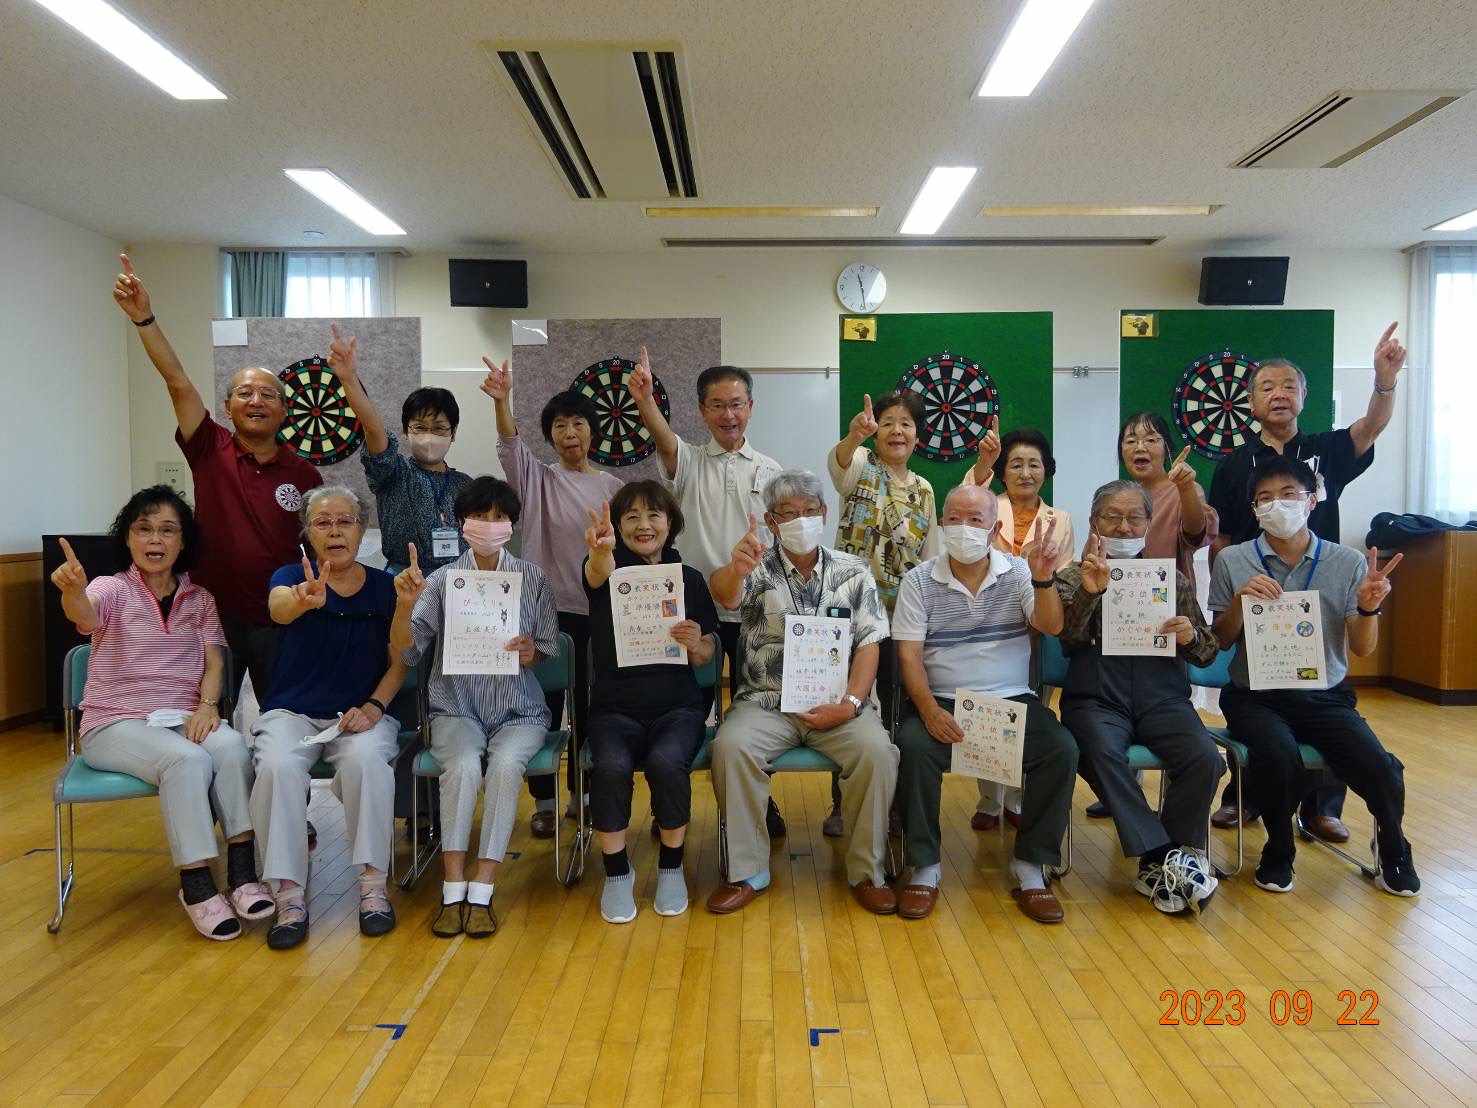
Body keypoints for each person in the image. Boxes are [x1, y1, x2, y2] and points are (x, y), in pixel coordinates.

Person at [1207, 324, 1407, 840]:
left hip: (1321, 593)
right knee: (1260, 703)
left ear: (1303, 396)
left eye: (1288, 385)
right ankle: (1245, 796)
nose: (1278, 393)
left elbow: (1372, 426)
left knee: (1324, 695)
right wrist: (1230, 597)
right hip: (1258, 592)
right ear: (1250, 402)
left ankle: (1321, 808)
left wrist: (1384, 380)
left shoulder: (1325, 449)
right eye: (1266, 387)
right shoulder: (1232, 465)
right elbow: (1221, 539)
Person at [51, 486, 269, 941]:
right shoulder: (110, 588)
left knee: (232, 746)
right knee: (186, 759)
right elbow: (85, 617)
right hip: (114, 723)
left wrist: (208, 706)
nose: (155, 539)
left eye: (168, 530)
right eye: (144, 529)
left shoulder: (200, 598)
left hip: (180, 717)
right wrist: (72, 592)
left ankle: (243, 874)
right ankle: (196, 884)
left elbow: (214, 662)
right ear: (128, 538)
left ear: (183, 541)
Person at [113, 254, 321, 706]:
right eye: (245, 393)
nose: (256, 400)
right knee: (207, 718)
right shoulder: (210, 446)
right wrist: (144, 319)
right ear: (228, 407)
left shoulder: (305, 475)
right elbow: (178, 383)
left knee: (284, 716)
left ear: (285, 411)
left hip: (278, 616)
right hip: (210, 615)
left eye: (268, 395)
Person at [1208, 455, 1417, 897]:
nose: (1277, 505)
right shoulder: (1232, 560)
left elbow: (1363, 648)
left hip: (1325, 696)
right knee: (1277, 756)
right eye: (1265, 498)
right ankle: (1278, 848)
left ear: (1312, 500)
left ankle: (1395, 846)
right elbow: (1221, 640)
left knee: (1379, 766)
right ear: (1254, 509)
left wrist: (1368, 608)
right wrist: (1240, 603)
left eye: (1289, 494)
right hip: (1256, 696)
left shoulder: (1348, 562)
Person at [704, 470, 896, 916]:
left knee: (877, 752)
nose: (801, 520)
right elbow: (724, 595)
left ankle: (867, 872)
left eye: (809, 511)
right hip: (767, 702)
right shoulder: (754, 567)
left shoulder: (854, 571)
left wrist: (850, 704)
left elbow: (870, 644)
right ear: (771, 521)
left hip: (839, 703)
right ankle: (747, 871)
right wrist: (735, 568)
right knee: (731, 747)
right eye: (788, 513)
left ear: (824, 514)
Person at [892, 484, 1076, 923]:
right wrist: (929, 710)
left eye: (975, 520)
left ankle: (1031, 866)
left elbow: (1051, 626)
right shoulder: (918, 581)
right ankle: (925, 865)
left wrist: (1044, 578)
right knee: (913, 746)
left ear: (994, 529)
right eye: (954, 519)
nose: (964, 528)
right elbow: (908, 656)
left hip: (1011, 700)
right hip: (944, 700)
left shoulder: (1019, 572)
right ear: (941, 524)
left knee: (1060, 749)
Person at [628, 349, 789, 837]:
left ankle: (760, 802)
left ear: (751, 407)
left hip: (754, 612)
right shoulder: (689, 461)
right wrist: (644, 400)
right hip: (694, 609)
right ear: (702, 411)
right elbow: (663, 436)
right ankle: (669, 806)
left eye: (737, 404)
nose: (728, 414)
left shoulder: (771, 469)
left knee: (755, 711)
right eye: (717, 405)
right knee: (686, 711)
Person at [392, 476, 559, 938]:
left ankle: (483, 888)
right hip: (455, 708)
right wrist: (404, 606)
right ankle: (452, 888)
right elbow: (407, 652)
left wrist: (532, 653)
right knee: (463, 765)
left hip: (519, 710)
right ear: (462, 523)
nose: (490, 524)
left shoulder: (532, 578)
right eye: (480, 516)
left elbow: (547, 646)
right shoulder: (442, 580)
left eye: (499, 517)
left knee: (504, 767)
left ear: (512, 525)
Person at [1055, 481, 1222, 914]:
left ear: (1149, 523)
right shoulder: (1071, 576)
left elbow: (1207, 652)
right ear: (1094, 522)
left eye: (1134, 518)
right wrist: (1090, 594)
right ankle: (1165, 857)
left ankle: (1163, 860)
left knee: (1205, 758)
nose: (1124, 527)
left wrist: (1189, 636)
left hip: (1162, 698)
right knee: (1098, 750)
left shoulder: (1171, 579)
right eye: (1112, 517)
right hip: (1096, 698)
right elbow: (1067, 641)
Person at [249, 486, 405, 948]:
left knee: (367, 762)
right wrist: (303, 600)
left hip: (360, 715)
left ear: (362, 529)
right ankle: (288, 895)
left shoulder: (385, 587)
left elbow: (402, 659)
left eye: (345, 521)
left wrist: (375, 706)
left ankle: (373, 887)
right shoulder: (290, 577)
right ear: (307, 532)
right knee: (276, 766)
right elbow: (279, 609)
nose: (334, 531)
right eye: (322, 522)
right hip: (292, 713)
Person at [482, 355, 624, 840]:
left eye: (578, 423)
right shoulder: (537, 479)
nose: (569, 433)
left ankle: (583, 795)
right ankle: (544, 802)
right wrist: (502, 400)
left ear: (593, 432)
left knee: (591, 709)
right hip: (541, 613)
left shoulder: (613, 488)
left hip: (595, 612)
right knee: (538, 708)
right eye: (560, 426)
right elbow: (509, 445)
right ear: (550, 436)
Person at [581, 482, 720, 922]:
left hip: (678, 707)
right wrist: (600, 552)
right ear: (618, 527)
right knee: (609, 768)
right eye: (632, 517)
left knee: (666, 763)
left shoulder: (689, 579)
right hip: (613, 709)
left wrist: (697, 644)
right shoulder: (609, 573)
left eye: (654, 515)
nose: (644, 525)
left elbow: (708, 652)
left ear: (670, 522)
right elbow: (596, 571)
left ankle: (671, 867)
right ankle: (616, 872)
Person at [822, 389, 942, 836]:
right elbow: (837, 464)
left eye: (906, 424)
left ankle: (890, 803)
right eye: (888, 422)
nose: (896, 431)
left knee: (894, 706)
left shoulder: (925, 489)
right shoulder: (860, 465)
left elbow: (930, 558)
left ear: (917, 437)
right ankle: (841, 803)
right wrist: (855, 435)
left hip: (901, 615)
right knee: (846, 702)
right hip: (848, 612)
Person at [963, 425, 1074, 829]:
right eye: (1016, 464)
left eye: (1034, 464)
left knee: (1031, 714)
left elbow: (1065, 575)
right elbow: (969, 492)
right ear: (1002, 471)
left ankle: (1019, 797)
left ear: (1046, 470)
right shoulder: (986, 508)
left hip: (1038, 627)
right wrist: (984, 461)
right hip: (991, 624)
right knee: (990, 708)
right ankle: (990, 799)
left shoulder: (1061, 519)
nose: (1026, 473)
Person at [326, 325, 472, 576]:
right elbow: (373, 429)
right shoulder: (393, 472)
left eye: (439, 428)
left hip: (457, 579)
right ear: (406, 431)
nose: (429, 436)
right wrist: (349, 378)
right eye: (420, 427)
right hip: (403, 577)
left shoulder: (465, 485)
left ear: (453, 433)